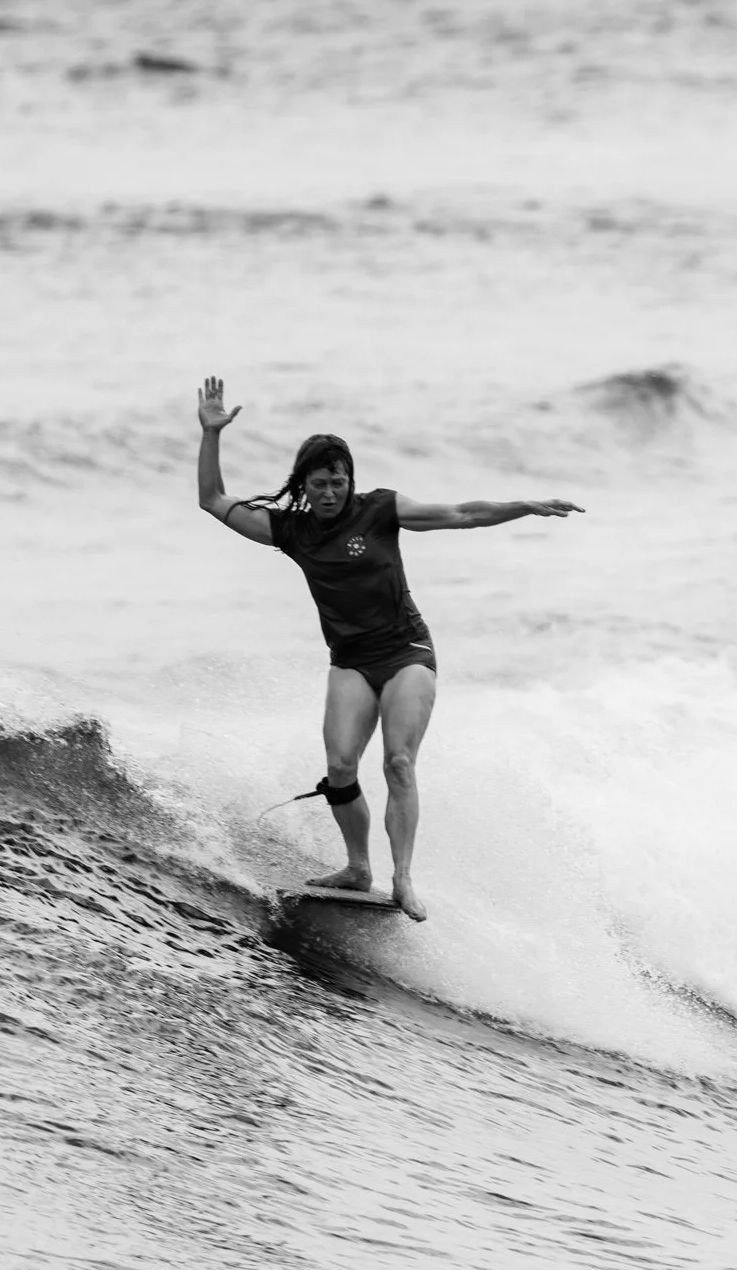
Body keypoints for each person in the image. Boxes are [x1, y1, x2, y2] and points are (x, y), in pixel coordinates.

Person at [194, 376, 582, 920]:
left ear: (350, 480)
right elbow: (212, 499)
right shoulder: (291, 531)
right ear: (302, 486)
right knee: (340, 767)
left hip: (407, 654)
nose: (330, 492)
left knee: (398, 762)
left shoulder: (380, 510)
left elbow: (461, 514)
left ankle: (402, 879)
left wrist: (524, 505)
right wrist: (212, 435)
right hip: (350, 661)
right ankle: (358, 868)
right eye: (319, 484)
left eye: (338, 481)